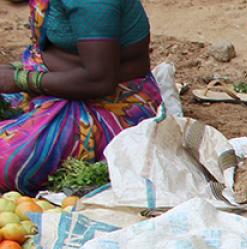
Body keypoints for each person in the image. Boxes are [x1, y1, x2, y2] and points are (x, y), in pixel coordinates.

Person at [0, 0, 161, 194]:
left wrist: (21, 79)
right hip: (51, 81)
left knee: (10, 161)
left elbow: (99, 80)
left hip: (109, 106)